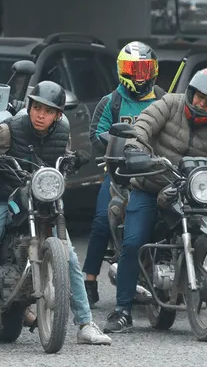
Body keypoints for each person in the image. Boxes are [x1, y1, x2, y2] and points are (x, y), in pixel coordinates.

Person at [0, 81, 113, 347]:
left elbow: (63, 156)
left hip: (44, 200)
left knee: (68, 256)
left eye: (47, 111)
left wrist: (74, 158)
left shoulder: (62, 132)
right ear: (30, 106)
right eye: (36, 108)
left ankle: (85, 324)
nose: (40, 114)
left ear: (58, 114)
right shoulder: (9, 129)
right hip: (6, 198)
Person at [103, 66, 207, 333]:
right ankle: (122, 310)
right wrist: (135, 150)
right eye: (199, 97)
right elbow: (143, 126)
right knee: (134, 240)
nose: (202, 104)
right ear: (192, 92)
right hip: (153, 184)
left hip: (196, 191)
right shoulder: (169, 104)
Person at [83, 41, 165, 308]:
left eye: (144, 69)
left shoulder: (162, 97)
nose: (140, 76)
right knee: (99, 222)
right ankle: (90, 279)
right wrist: (119, 146)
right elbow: (96, 134)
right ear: (122, 71)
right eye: (134, 69)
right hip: (118, 172)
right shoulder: (112, 101)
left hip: (154, 172)